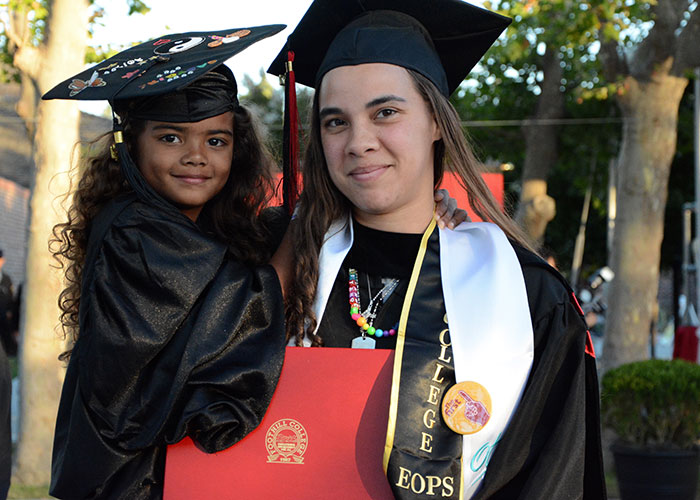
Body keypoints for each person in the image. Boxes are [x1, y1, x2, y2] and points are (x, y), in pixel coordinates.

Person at [268, 1, 607, 498]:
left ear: (436, 123)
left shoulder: (525, 294)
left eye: (386, 112)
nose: (359, 142)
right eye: (335, 122)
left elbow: (554, 475)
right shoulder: (283, 267)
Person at [43, 26, 290, 499]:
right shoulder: (134, 230)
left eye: (216, 141)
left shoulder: (205, 229)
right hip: (129, 480)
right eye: (172, 138)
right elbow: (237, 313)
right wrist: (300, 240)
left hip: (171, 474)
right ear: (131, 145)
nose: (196, 156)